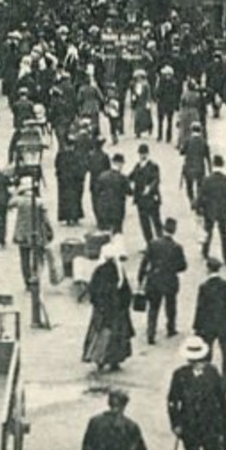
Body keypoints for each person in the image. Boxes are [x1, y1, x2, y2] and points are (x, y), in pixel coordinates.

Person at [82, 244, 135, 373]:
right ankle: (114, 360)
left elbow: (93, 290)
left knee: (101, 334)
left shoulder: (99, 270)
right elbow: (126, 292)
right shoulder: (119, 270)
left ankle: (99, 359)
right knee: (117, 336)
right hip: (117, 310)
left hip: (102, 309)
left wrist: (96, 303)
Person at [136, 217, 187, 344]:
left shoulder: (153, 244)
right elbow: (182, 266)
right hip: (170, 280)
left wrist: (141, 278)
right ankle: (171, 328)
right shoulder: (177, 247)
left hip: (154, 279)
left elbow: (144, 263)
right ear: (174, 230)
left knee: (153, 307)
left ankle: (151, 333)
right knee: (171, 306)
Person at [193, 256, 226, 392]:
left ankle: (206, 380)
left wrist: (197, 326)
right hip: (224, 321)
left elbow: (200, 307)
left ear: (208, 269)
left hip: (208, 323)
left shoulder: (204, 287)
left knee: (206, 353)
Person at [11, 176, 54, 288]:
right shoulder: (39, 202)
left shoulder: (19, 201)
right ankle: (36, 277)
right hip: (37, 233)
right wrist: (50, 230)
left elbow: (10, 203)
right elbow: (46, 219)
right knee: (38, 257)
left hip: (21, 234)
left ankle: (27, 281)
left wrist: (17, 192)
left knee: (24, 259)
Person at [197, 155, 226, 267]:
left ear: (214, 165)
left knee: (208, 232)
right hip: (223, 211)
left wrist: (199, 209)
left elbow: (201, 195)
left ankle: (205, 252)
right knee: (224, 234)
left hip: (209, 210)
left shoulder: (207, 180)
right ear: (222, 165)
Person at [129, 143, 163, 244]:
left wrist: (150, 188)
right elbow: (130, 177)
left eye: (144, 154)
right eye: (141, 154)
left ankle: (160, 242)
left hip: (152, 199)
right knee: (144, 223)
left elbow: (156, 180)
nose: (142, 156)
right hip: (140, 199)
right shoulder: (137, 166)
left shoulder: (153, 166)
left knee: (156, 221)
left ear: (148, 154)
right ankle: (150, 244)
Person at [91, 152, 131, 236]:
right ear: (120, 164)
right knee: (117, 233)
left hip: (104, 208)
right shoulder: (122, 178)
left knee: (104, 232)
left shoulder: (102, 175)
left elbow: (96, 191)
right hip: (118, 209)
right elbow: (129, 191)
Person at [54, 137, 87, 227]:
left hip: (64, 182)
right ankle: (75, 217)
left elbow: (57, 166)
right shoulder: (77, 155)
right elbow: (82, 167)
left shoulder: (61, 155)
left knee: (65, 200)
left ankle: (67, 217)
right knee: (75, 199)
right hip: (74, 181)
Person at [179, 121, 210, 208]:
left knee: (189, 186)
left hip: (189, 167)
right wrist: (210, 169)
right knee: (199, 186)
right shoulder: (203, 141)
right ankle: (198, 202)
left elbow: (181, 152)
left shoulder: (188, 140)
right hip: (200, 167)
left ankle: (192, 200)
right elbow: (207, 156)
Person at [154, 65, 180, 143]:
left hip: (162, 103)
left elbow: (158, 92)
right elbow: (177, 94)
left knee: (162, 121)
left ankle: (160, 136)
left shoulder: (161, 82)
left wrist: (157, 97)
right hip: (169, 103)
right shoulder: (175, 82)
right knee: (168, 121)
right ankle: (168, 137)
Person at [128, 69, 154, 140]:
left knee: (146, 117)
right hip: (138, 103)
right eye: (137, 77)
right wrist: (133, 98)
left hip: (144, 102)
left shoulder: (146, 85)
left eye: (139, 77)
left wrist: (148, 102)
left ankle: (149, 128)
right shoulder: (135, 85)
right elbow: (134, 93)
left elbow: (148, 94)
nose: (138, 78)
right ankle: (137, 132)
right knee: (137, 118)